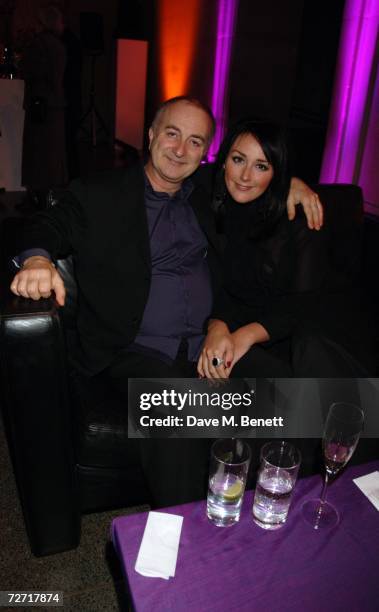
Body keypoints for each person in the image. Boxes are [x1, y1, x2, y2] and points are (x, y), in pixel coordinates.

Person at [10, 97, 322, 506]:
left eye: (195, 141)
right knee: (178, 414)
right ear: (151, 134)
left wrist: (290, 183)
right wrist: (36, 259)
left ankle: (277, 524)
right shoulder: (100, 193)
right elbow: (44, 223)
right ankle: (188, 549)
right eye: (172, 134)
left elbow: (254, 170)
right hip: (134, 351)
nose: (180, 150)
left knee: (298, 396)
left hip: (205, 346)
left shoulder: (205, 194)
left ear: (206, 153)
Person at [197, 119, 374, 379]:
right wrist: (217, 326)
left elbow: (305, 306)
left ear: (276, 172)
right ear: (223, 161)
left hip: (298, 337)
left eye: (261, 166)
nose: (246, 176)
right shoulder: (209, 200)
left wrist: (245, 336)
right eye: (238, 160)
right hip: (233, 326)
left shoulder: (299, 218)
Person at [20, 5, 67, 210]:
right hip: (55, 104)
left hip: (40, 105)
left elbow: (29, 71)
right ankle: (51, 198)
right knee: (54, 153)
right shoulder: (58, 45)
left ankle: (38, 198)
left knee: (37, 152)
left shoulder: (38, 45)